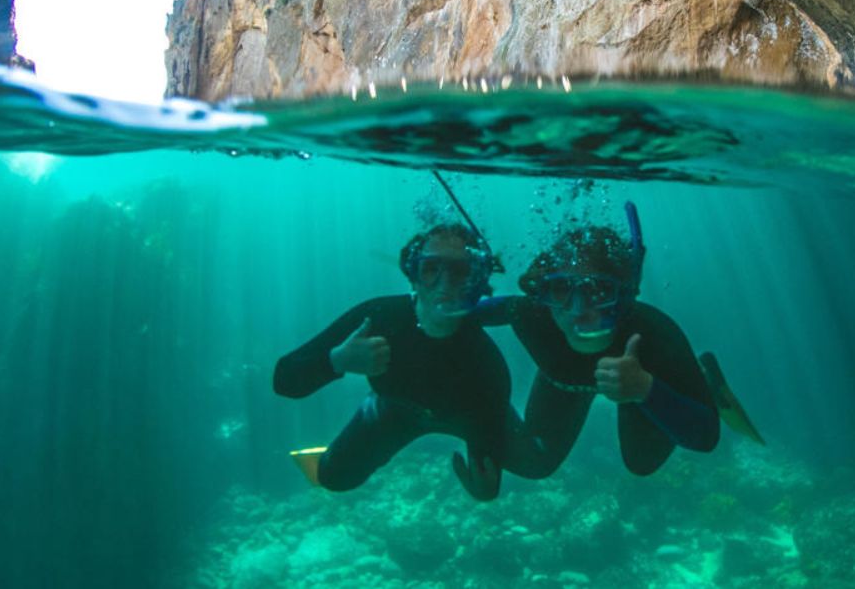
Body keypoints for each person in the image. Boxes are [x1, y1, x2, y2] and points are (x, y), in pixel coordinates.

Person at [272, 223, 511, 500]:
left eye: (460, 271)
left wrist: (485, 487)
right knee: (334, 478)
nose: (445, 284)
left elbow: (489, 426)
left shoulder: (487, 363)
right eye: (432, 269)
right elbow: (284, 380)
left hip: (463, 416)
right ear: (413, 276)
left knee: (535, 465)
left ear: (478, 281)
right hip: (394, 409)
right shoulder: (377, 319)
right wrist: (336, 361)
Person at [484, 203, 722, 478]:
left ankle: (705, 375)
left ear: (624, 297)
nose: (578, 310)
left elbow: (705, 438)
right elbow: (464, 313)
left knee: (641, 463)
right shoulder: (533, 312)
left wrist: (645, 389)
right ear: (544, 293)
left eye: (597, 291)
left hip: (639, 381)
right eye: (561, 289)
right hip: (564, 381)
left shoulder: (654, 334)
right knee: (536, 463)